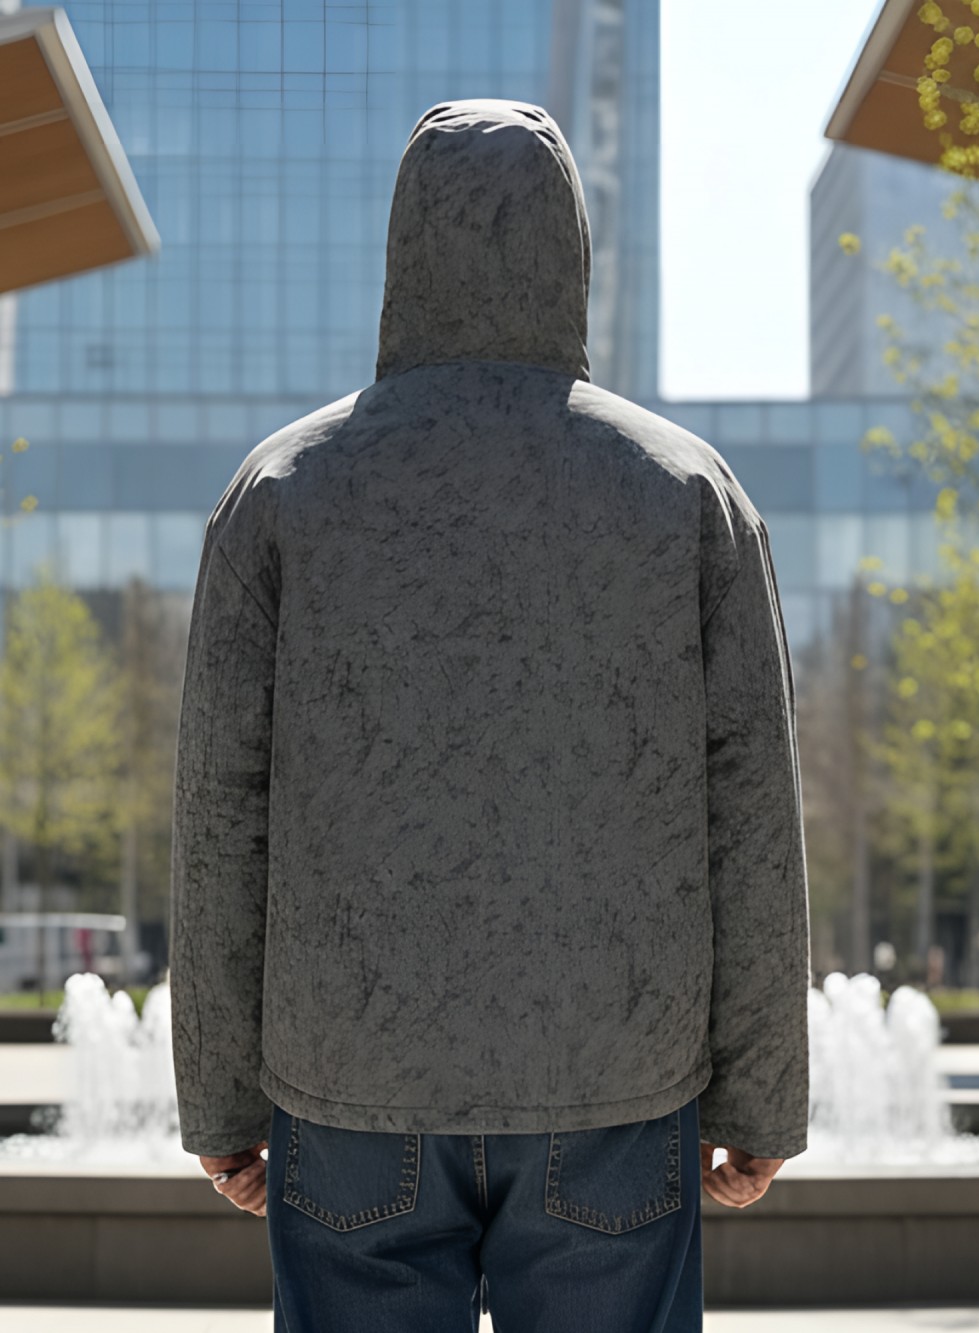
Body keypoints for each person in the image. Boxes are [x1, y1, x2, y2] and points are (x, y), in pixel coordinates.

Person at [169, 98, 811, 1332]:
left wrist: (219, 1096)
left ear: (402, 250)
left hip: (349, 1083)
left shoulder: (283, 488)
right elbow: (752, 810)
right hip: (613, 1081)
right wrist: (763, 1093)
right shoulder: (686, 489)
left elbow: (219, 813)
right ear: (570, 249)